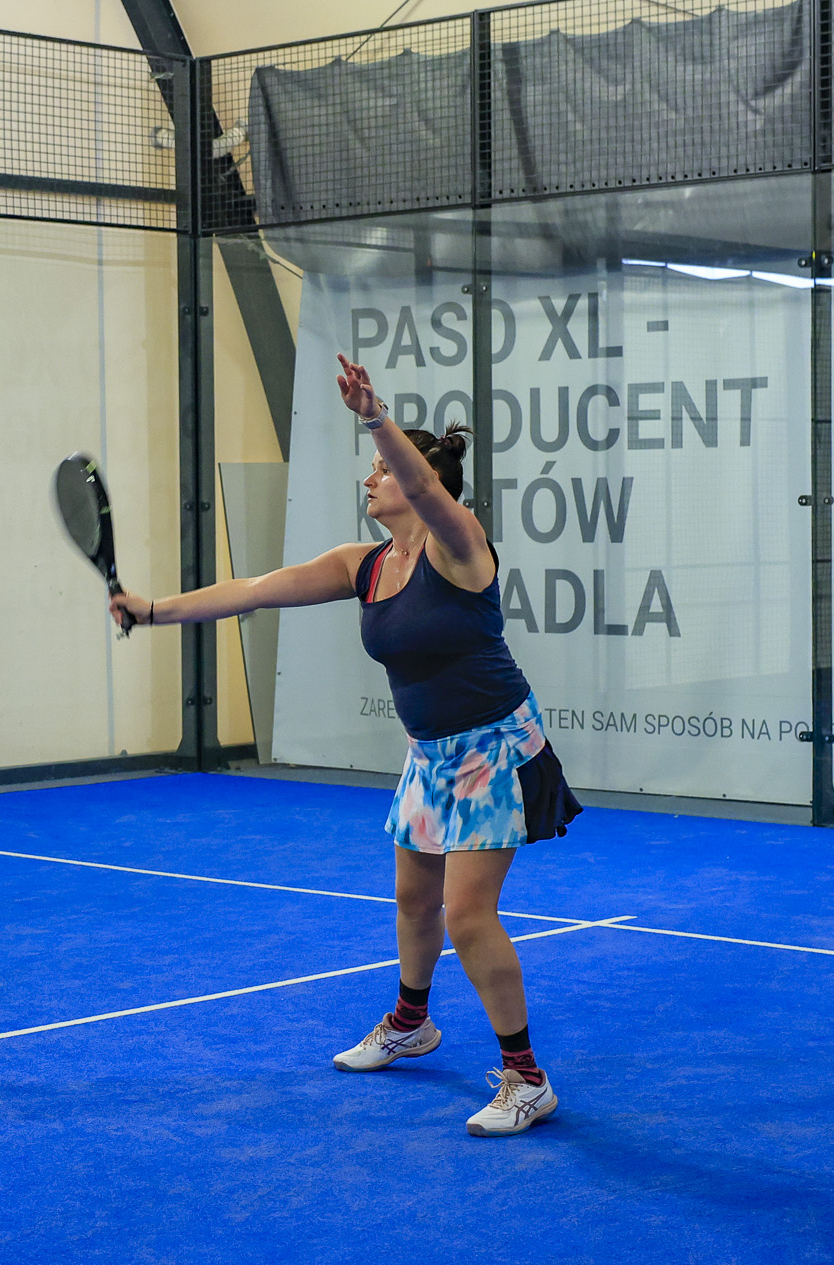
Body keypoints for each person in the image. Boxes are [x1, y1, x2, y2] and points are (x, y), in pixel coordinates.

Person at [106, 355, 580, 1137]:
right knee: (411, 898)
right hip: (429, 755)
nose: (372, 481)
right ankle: (411, 1022)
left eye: (382, 471)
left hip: (496, 748)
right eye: (370, 469)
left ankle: (527, 1079)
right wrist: (152, 610)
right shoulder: (364, 566)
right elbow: (254, 590)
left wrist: (373, 415)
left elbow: (426, 488)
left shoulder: (459, 546)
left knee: (467, 916)